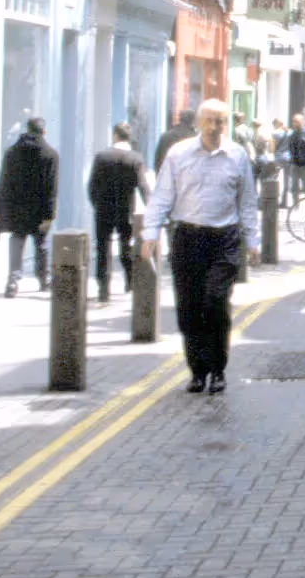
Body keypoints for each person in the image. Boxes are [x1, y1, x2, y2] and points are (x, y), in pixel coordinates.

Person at [144, 99, 260, 395]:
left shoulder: (237, 156)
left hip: (224, 239)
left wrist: (254, 242)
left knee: (216, 302)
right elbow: (161, 196)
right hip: (187, 238)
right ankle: (197, 371)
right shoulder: (179, 154)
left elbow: (247, 202)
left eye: (220, 121)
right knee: (189, 307)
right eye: (208, 120)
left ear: (227, 124)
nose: (214, 127)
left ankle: (218, 369)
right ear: (198, 122)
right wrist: (150, 233)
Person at [0, 118, 60, 299]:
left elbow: (3, 183)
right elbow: (52, 188)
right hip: (39, 209)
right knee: (41, 244)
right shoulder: (50, 155)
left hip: (17, 207)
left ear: (27, 130)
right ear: (43, 132)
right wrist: (50, 214)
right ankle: (43, 279)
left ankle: (13, 281)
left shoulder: (12, 152)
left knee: (17, 240)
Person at [85, 123, 150, 303]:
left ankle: (103, 288)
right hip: (125, 209)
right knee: (125, 245)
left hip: (103, 209)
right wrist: (151, 208)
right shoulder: (135, 159)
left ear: (115, 136)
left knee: (102, 248)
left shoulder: (101, 156)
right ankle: (129, 280)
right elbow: (143, 186)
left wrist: (96, 203)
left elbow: (91, 186)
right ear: (128, 137)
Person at [282, 114, 305, 207]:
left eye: (297, 121)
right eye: (294, 121)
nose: (295, 123)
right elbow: (290, 148)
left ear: (302, 122)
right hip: (295, 163)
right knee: (294, 186)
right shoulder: (292, 135)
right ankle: (295, 204)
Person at [154, 109, 194, 177]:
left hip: (169, 178)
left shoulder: (166, 136)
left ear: (179, 118)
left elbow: (158, 161)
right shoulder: (196, 138)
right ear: (193, 120)